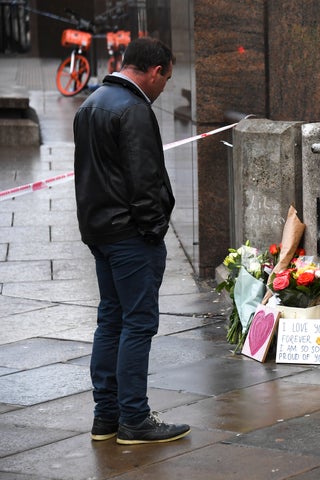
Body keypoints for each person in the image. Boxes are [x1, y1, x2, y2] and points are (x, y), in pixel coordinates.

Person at [73, 36, 190, 445]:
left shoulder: (92, 102)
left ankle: (106, 417)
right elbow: (145, 181)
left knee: (111, 320)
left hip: (100, 231)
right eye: (167, 79)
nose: (164, 88)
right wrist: (153, 229)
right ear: (155, 71)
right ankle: (135, 420)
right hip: (130, 237)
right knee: (138, 324)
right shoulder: (134, 109)